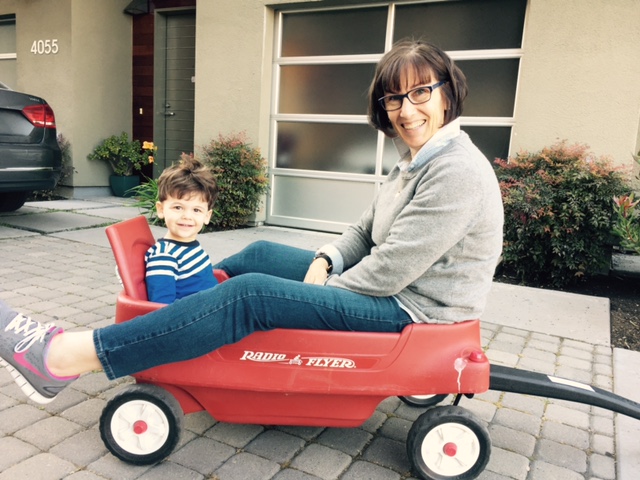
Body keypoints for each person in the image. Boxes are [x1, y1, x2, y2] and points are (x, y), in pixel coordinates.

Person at [0, 39, 504, 405]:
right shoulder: (414, 160)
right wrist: (327, 259)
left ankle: (62, 358)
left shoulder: (455, 170)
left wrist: (321, 293)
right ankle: (190, 320)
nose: (404, 109)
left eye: (420, 93)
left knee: (254, 296)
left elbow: (392, 269)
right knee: (259, 256)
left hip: (413, 309)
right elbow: (363, 233)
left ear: (447, 94)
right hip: (391, 289)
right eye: (393, 98)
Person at [145, 156, 219, 303]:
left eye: (196, 210)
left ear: (207, 216)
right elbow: (162, 309)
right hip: (196, 320)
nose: (187, 216)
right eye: (178, 207)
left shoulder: (189, 247)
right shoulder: (165, 256)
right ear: (161, 209)